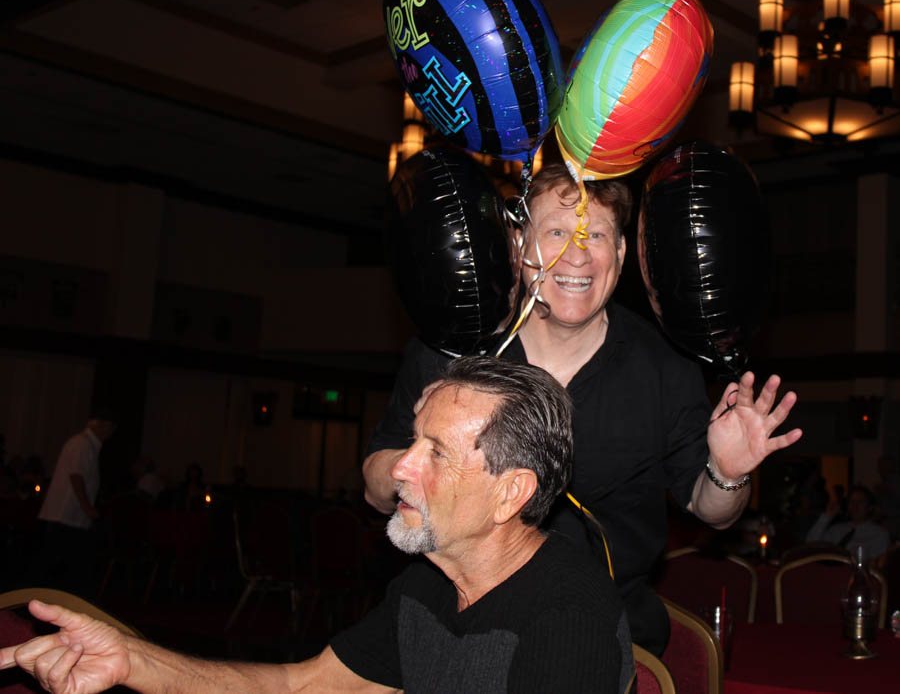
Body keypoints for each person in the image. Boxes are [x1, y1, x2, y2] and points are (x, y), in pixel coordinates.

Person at [364, 163, 802, 654]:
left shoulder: (665, 367)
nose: (577, 255)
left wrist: (727, 471)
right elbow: (377, 484)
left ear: (619, 254)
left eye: (595, 234)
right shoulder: (452, 349)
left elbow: (713, 511)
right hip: (454, 630)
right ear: (519, 244)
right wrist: (413, 471)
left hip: (607, 641)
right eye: (556, 231)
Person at [1, 356, 633, 694]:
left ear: (510, 493)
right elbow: (304, 685)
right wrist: (130, 661)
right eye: (412, 442)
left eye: (434, 452)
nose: (400, 471)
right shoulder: (426, 587)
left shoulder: (568, 618)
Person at [35, 408, 117, 594]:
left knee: (60, 569)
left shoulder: (86, 444)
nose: (110, 433)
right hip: (67, 516)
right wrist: (88, 508)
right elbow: (76, 477)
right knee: (59, 569)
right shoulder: (83, 444)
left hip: (70, 517)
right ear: (101, 425)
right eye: (110, 428)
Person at [806, 484, 891, 561]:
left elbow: (877, 563)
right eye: (851, 501)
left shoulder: (880, 534)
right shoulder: (837, 530)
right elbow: (811, 544)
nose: (855, 506)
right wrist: (826, 516)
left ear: (869, 507)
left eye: (860, 501)